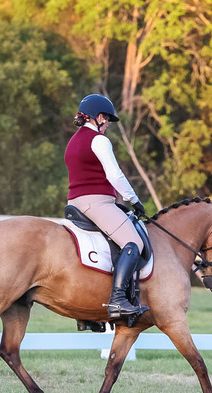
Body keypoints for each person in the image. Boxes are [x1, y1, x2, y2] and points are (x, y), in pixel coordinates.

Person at [65, 94, 147, 319]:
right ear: (99, 117)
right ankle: (118, 300)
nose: (108, 123)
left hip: (75, 202)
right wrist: (134, 200)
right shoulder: (99, 140)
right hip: (97, 203)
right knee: (134, 242)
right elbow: (115, 175)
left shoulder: (73, 141)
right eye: (107, 119)